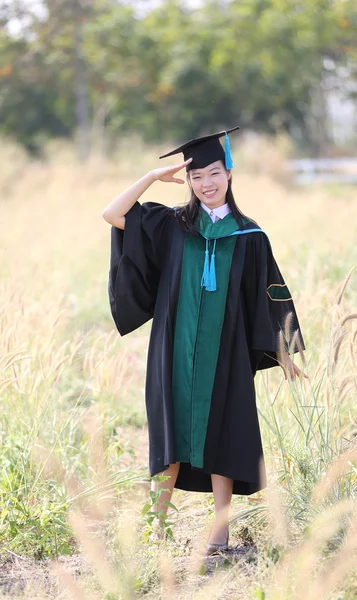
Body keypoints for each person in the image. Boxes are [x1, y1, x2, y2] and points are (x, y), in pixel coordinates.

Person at [102, 127, 306, 554]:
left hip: (225, 354)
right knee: (168, 433)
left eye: (214, 172)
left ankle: (220, 530)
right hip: (172, 348)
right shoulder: (172, 225)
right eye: (197, 177)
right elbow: (112, 214)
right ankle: (153, 527)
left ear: (229, 172)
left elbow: (268, 293)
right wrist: (150, 178)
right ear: (189, 182)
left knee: (224, 433)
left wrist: (283, 351)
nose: (206, 184)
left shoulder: (250, 237)